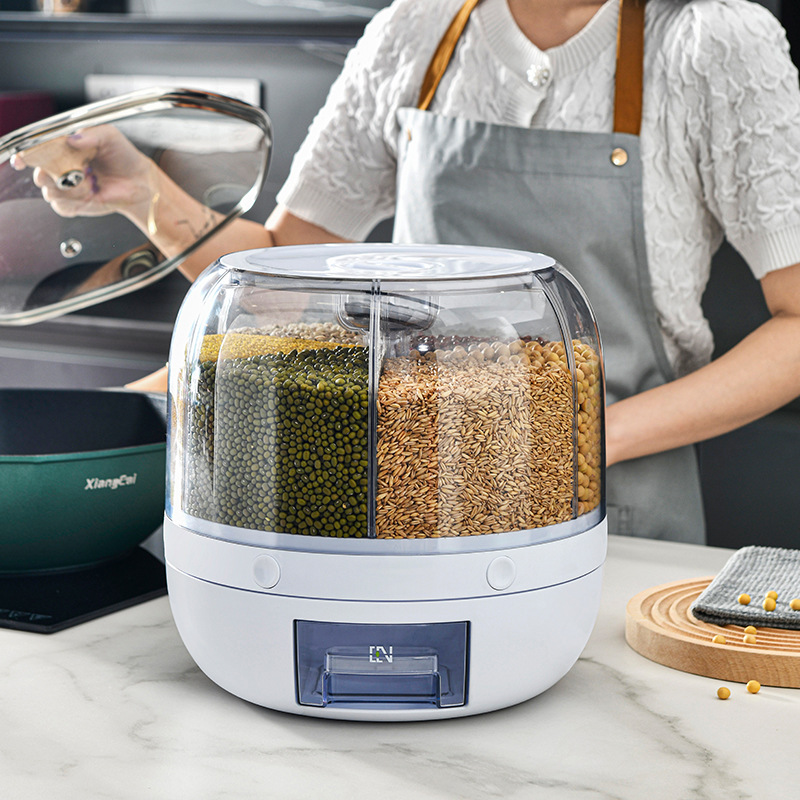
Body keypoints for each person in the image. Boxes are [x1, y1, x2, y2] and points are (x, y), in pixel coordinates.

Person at [15, 0, 800, 542]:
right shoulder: (416, 30)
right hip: (410, 492)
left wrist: (581, 439)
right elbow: (282, 287)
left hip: (609, 506)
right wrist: (143, 191)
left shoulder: (713, 42)